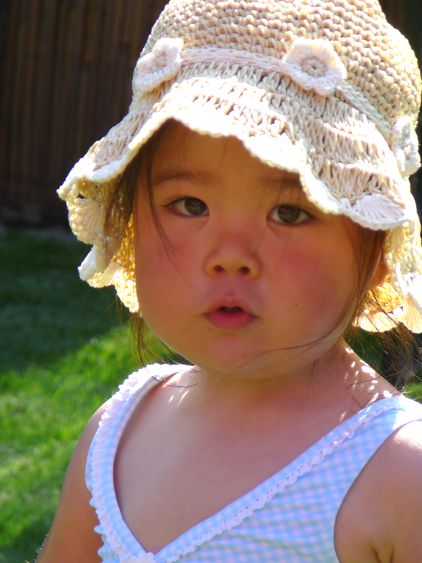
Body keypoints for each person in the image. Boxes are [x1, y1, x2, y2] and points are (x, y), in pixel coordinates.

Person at [37, 0, 422, 561]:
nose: (231, 257)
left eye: (289, 213)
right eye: (190, 205)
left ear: (378, 247)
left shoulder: (395, 471)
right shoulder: (116, 436)